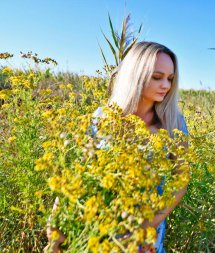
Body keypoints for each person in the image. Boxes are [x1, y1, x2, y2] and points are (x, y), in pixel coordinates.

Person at [45, 41, 189, 253]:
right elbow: (78, 173)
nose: (166, 86)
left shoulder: (174, 122)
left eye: (170, 79)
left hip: (142, 237)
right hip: (95, 231)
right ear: (136, 74)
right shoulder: (103, 116)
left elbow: (181, 181)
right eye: (157, 77)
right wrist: (57, 220)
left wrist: (145, 225)